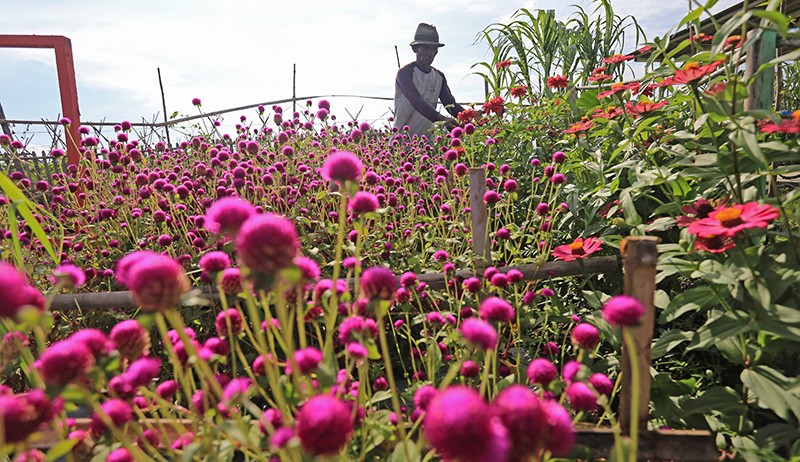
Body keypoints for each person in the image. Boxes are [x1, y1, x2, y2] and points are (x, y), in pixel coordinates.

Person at [394, 23, 467, 139]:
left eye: (434, 49)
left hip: (426, 143)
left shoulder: (439, 77)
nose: (430, 53)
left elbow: (450, 105)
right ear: (415, 49)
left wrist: (469, 117)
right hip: (401, 142)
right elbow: (418, 102)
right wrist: (443, 120)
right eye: (426, 48)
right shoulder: (405, 73)